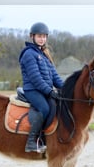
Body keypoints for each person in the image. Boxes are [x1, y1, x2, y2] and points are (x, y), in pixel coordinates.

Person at [19, 22, 64, 153]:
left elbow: (55, 76)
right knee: (44, 108)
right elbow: (36, 79)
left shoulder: (44, 55)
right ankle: (31, 142)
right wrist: (49, 91)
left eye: (44, 36)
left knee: (55, 105)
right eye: (39, 36)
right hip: (32, 90)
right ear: (32, 36)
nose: (42, 39)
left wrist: (67, 89)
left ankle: (47, 137)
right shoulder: (28, 54)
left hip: (43, 89)